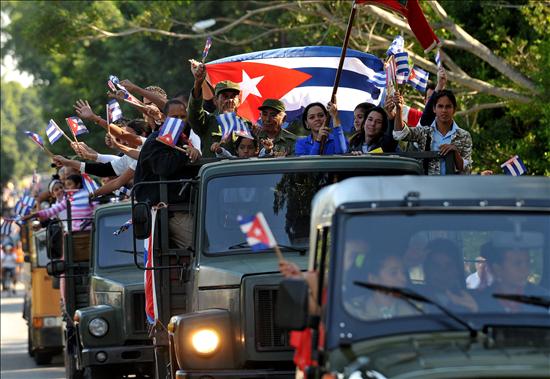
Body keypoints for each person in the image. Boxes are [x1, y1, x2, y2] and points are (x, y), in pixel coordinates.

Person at [133, 99, 198, 249]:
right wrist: (186, 154)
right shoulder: (155, 140)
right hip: (170, 211)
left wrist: (193, 151)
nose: (180, 121)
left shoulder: (184, 139)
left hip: (188, 207)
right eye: (174, 117)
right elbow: (163, 167)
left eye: (183, 117)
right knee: (199, 246)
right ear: (164, 118)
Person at [393, 89, 473, 175]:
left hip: (452, 186)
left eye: (448, 106)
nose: (444, 110)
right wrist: (399, 109)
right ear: (434, 109)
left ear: (454, 109)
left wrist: (455, 152)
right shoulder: (424, 132)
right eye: (440, 106)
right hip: (427, 186)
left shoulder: (464, 136)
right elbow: (400, 134)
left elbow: (467, 170)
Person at [188, 60, 244, 157]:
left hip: (240, 171)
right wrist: (198, 82)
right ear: (215, 101)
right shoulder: (207, 122)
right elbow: (194, 112)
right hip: (216, 171)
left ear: (239, 101)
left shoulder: (246, 124)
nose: (230, 100)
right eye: (225, 96)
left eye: (233, 96)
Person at [483, 245, 548, 312]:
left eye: (528, 263)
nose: (525, 269)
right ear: (498, 269)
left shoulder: (543, 297)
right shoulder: (482, 300)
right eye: (517, 264)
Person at [423, 239, 478, 312]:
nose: (442, 273)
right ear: (427, 270)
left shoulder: (474, 300)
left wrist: (474, 312)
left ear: (458, 270)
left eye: (449, 266)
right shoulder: (412, 299)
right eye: (436, 266)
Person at [24, 175, 94, 232]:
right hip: (71, 232)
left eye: (61, 187)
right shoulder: (59, 204)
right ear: (53, 195)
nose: (60, 190)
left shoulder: (71, 198)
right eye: (56, 190)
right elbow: (47, 216)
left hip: (85, 229)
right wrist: (38, 202)